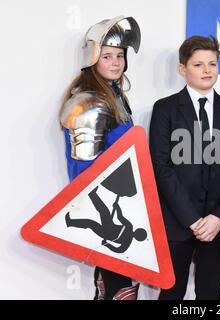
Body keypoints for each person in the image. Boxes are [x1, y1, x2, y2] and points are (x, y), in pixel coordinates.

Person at [149, 36, 220, 300]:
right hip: (176, 222)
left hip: (217, 224)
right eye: (198, 65)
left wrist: (219, 217)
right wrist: (191, 219)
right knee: (171, 293)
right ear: (183, 69)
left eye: (212, 64)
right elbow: (161, 167)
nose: (207, 71)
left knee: (210, 293)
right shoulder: (165, 109)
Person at [59, 16, 141, 300]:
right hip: (104, 212)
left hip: (123, 210)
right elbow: (85, 174)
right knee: (121, 292)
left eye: (120, 56)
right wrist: (109, 219)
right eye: (107, 56)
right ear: (93, 58)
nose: (116, 62)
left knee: (119, 288)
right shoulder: (89, 102)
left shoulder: (115, 96)